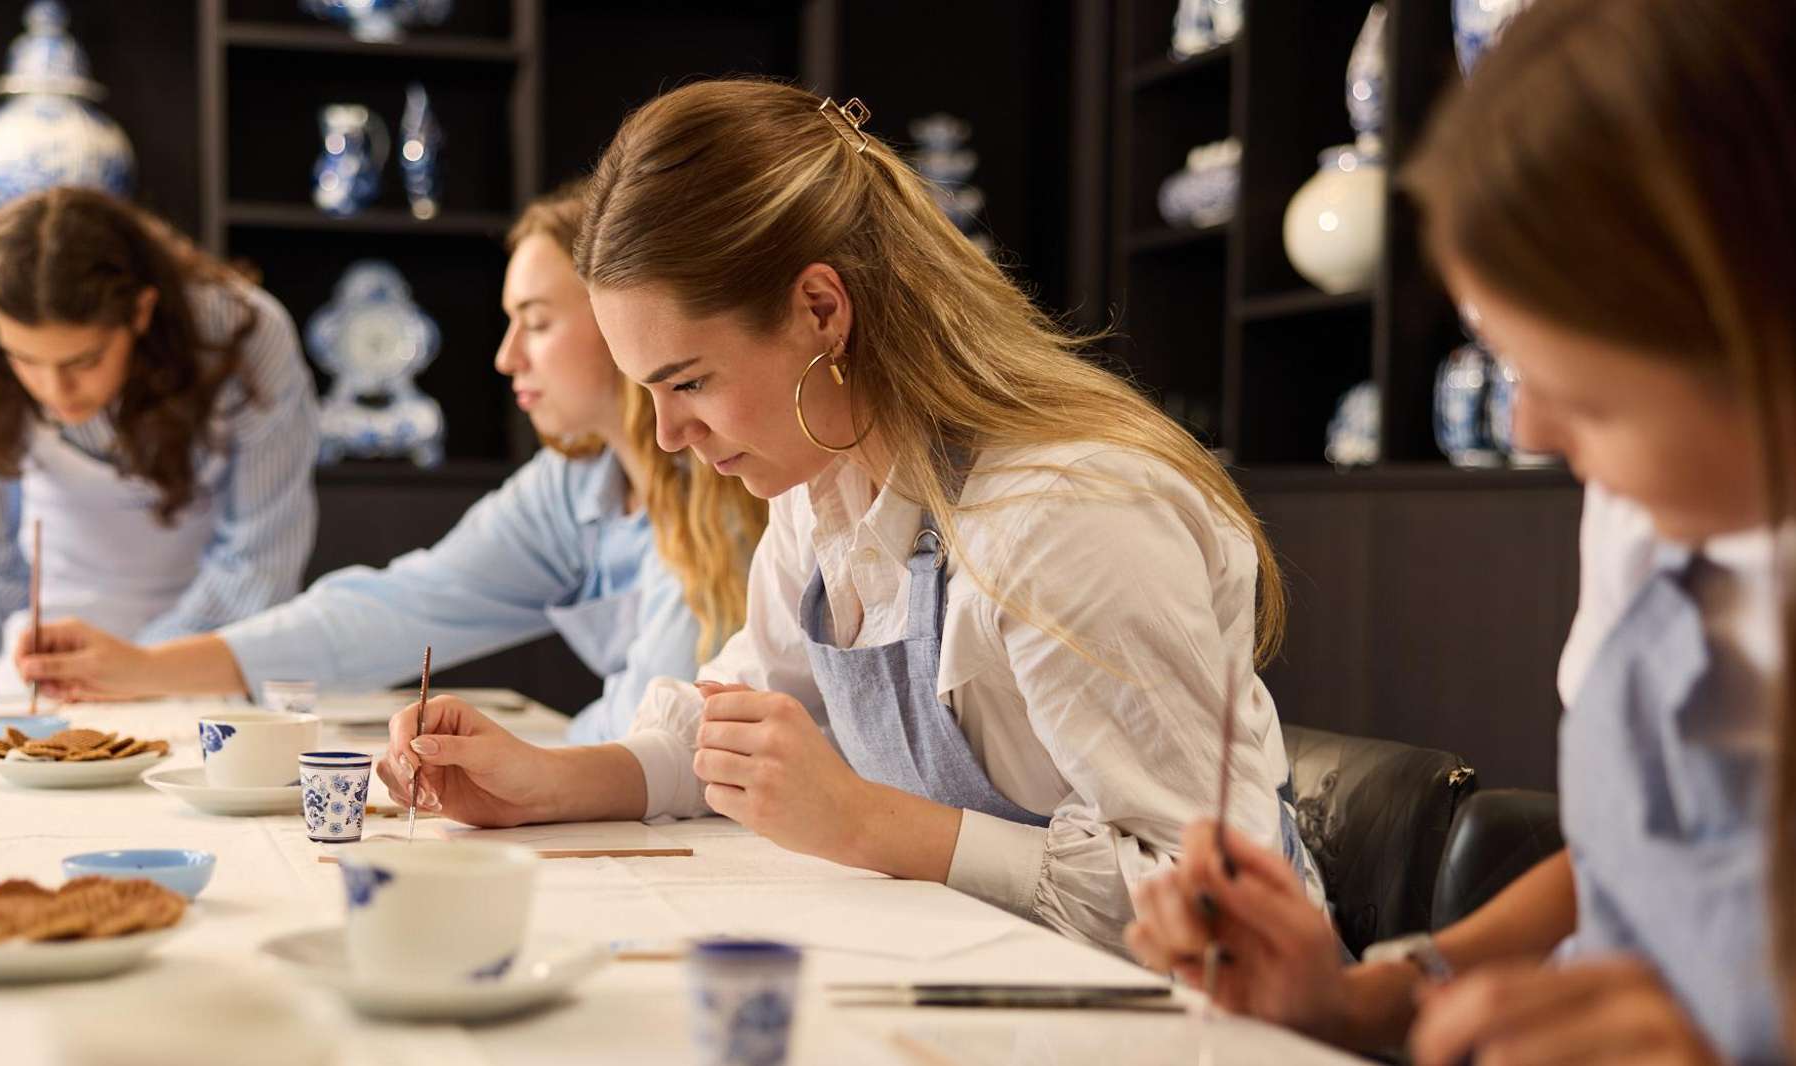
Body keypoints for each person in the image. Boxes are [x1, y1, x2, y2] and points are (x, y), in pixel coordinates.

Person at [373, 79, 1322, 953]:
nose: (664, 436)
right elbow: (729, 734)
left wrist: (871, 822)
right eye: (647, 392)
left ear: (822, 309)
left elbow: (1227, 908)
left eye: (690, 381)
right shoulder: (823, 486)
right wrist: (540, 783)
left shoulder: (1067, 514)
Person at [1124, 1, 1794, 1062]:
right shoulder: (1659, 509)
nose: (1526, 426)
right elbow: (1629, 865)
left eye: (1587, 391)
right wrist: (1380, 990)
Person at [18, 181, 767, 743]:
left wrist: (530, 760)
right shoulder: (574, 485)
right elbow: (395, 610)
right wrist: (144, 668)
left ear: (621, 320)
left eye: (535, 323)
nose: (507, 358)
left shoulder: (728, 480)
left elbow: (657, 733)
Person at [0, 187, 318, 711]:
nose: (54, 390)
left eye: (84, 361)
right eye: (24, 359)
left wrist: (135, 670)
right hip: (47, 683)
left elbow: (258, 564)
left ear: (141, 312)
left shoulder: (245, 340)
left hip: (208, 673)